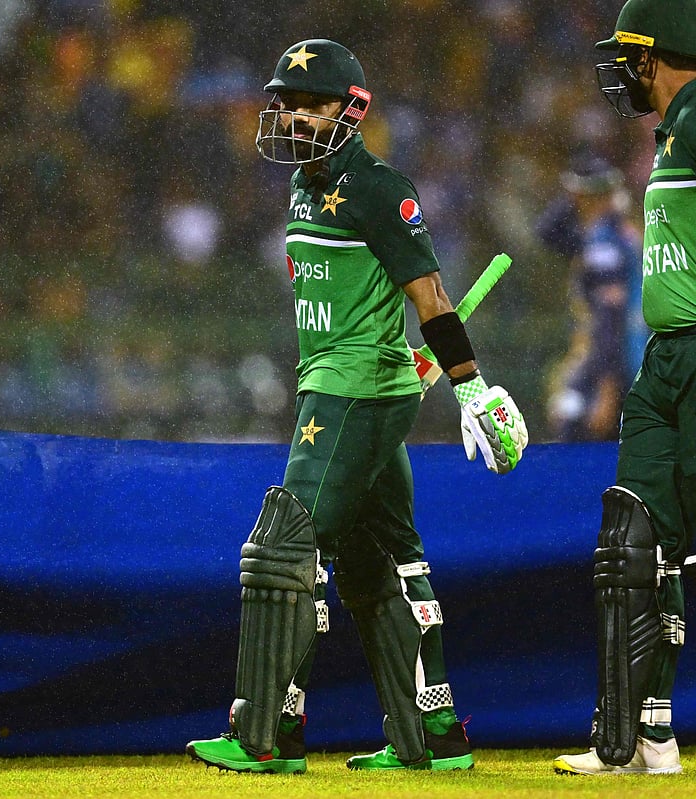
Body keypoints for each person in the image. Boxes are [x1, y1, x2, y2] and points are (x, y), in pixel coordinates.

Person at [184, 38, 528, 774]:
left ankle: (266, 735)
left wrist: (471, 385)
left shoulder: (377, 187)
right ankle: (433, 736)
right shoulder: (302, 185)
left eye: (312, 105)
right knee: (387, 562)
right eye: (286, 104)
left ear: (352, 111)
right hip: (350, 385)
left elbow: (430, 296)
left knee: (285, 545)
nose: (293, 119)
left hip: (353, 392)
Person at [554, 0, 696, 777]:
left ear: (659, 52)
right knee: (639, 542)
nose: (622, 70)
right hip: (667, 357)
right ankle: (645, 734)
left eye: (630, 54)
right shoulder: (672, 131)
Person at [535, 157, 642, 442]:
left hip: (612, 366)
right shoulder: (611, 233)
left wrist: (607, 389)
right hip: (615, 361)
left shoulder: (605, 243)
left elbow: (611, 319)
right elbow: (547, 233)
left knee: (572, 432)